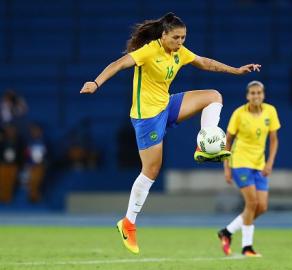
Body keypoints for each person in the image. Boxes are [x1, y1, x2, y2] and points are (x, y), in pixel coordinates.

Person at [80, 12, 261, 255]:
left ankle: (206, 145)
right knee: (151, 170)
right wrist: (96, 82)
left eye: (184, 38)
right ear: (164, 35)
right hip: (147, 118)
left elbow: (205, 62)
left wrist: (236, 71)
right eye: (176, 38)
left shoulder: (179, 52)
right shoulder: (149, 51)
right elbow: (118, 64)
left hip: (166, 105)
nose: (180, 42)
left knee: (214, 96)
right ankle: (128, 222)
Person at [217, 80, 280, 257]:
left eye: (258, 93)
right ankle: (247, 247)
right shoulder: (239, 114)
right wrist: (226, 167)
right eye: (252, 93)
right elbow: (228, 141)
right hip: (240, 162)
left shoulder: (270, 111)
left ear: (263, 95)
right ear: (247, 96)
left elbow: (274, 139)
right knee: (252, 203)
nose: (256, 96)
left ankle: (227, 232)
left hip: (260, 164)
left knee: (262, 207)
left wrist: (270, 163)